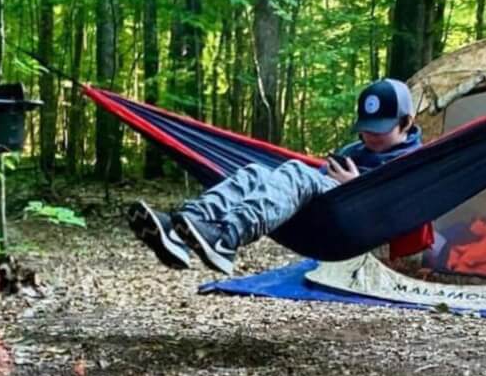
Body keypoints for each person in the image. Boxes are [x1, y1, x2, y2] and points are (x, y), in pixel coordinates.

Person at [128, 77, 423, 275]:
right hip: (321, 214)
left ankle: (226, 239)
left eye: (380, 128)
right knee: (254, 172)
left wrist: (357, 189)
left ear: (407, 122)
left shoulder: (415, 163)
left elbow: (397, 212)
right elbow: (316, 180)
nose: (369, 136)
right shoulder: (354, 149)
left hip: (356, 224)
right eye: (365, 127)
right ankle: (185, 225)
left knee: (295, 170)